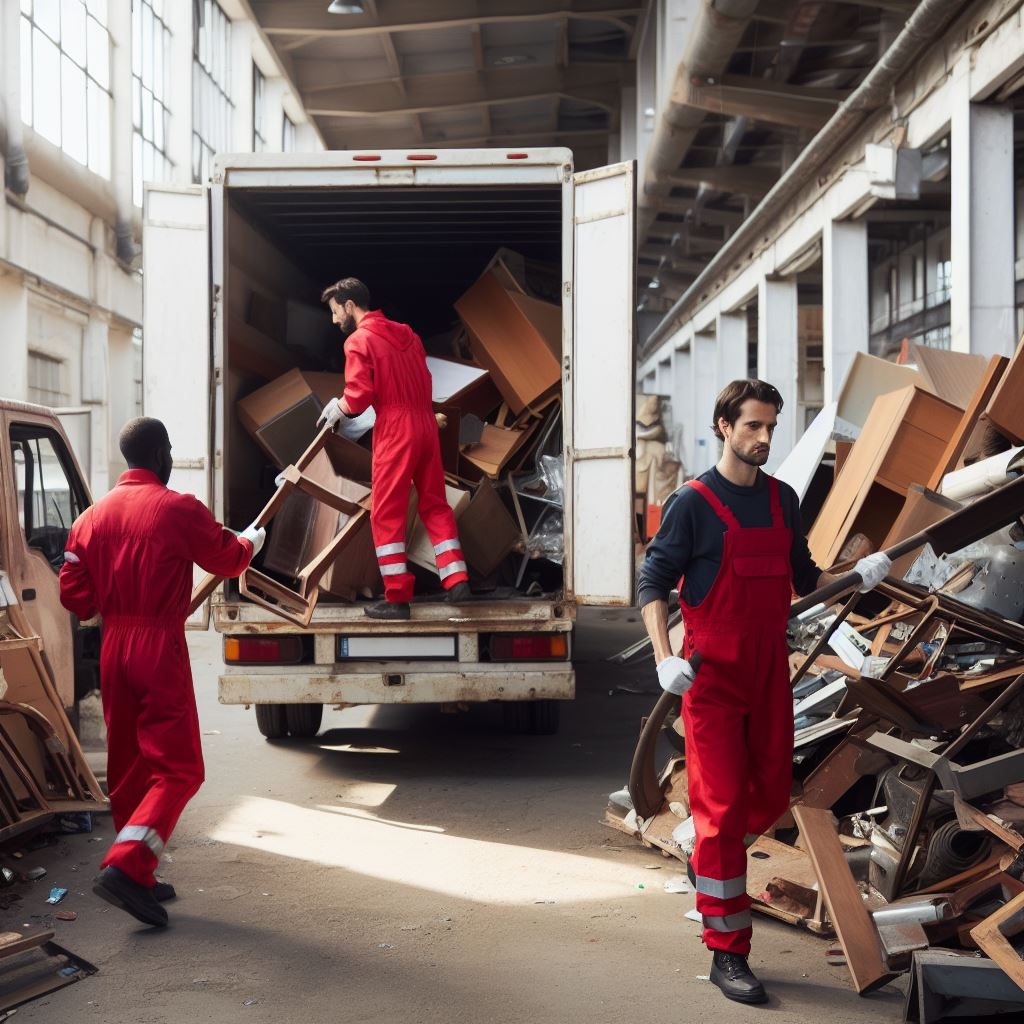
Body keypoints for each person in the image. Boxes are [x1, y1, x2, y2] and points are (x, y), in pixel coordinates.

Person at [637, 379, 890, 1004]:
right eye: (753, 425)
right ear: (724, 426)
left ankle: (708, 857)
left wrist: (857, 578)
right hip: (712, 678)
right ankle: (728, 952)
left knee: (772, 794)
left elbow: (806, 578)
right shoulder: (692, 503)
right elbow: (652, 584)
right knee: (723, 812)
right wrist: (664, 659)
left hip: (769, 671)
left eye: (772, 426)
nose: (765, 437)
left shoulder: (782, 499)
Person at [59, 417, 264, 928]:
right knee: (180, 769)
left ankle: (140, 875)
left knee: (130, 765)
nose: (171, 459)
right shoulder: (178, 509)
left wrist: (112, 600)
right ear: (158, 455)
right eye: (169, 451)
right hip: (157, 645)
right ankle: (128, 867)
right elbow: (228, 559)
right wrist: (250, 542)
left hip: (115, 646)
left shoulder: (90, 518)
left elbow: (75, 595)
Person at [317, 277, 471, 620]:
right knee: (435, 504)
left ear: (350, 305)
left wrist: (338, 408)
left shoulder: (359, 340)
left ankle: (398, 597)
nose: (334, 319)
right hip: (426, 424)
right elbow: (426, 380)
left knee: (387, 511)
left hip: (395, 428)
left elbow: (359, 396)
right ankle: (457, 579)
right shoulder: (408, 335)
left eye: (335, 311)